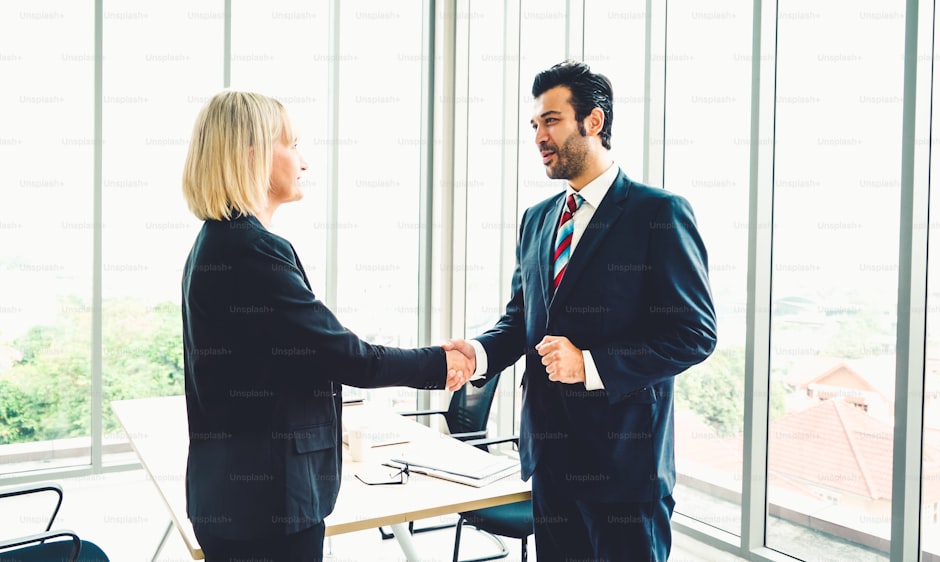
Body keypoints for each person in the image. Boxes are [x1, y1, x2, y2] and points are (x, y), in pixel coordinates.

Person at [180, 90, 472, 562]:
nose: (304, 162)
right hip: (267, 506)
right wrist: (441, 363)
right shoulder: (252, 251)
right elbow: (345, 357)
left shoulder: (214, 244)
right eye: (292, 145)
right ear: (251, 153)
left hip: (234, 500)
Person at [444, 61, 717, 561]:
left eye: (551, 121)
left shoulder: (657, 213)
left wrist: (589, 364)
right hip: (550, 461)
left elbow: (694, 334)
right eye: (534, 126)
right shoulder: (537, 220)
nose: (539, 137)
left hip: (625, 469)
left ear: (593, 122)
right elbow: (520, 322)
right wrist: (478, 354)